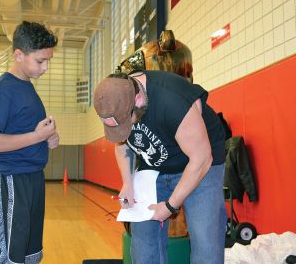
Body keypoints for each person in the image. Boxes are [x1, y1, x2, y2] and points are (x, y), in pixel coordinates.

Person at [93, 70, 227, 264]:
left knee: (205, 240)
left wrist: (170, 205)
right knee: (143, 243)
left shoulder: (172, 101)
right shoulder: (118, 96)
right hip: (154, 167)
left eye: (126, 124)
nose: (125, 130)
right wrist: (128, 183)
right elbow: (123, 146)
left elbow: (201, 158)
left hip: (200, 163)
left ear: (138, 100)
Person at [0, 21, 59, 264]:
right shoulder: (4, 90)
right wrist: (37, 137)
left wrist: (47, 139)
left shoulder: (27, 88)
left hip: (32, 177)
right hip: (11, 179)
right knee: (11, 257)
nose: (45, 67)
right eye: (40, 61)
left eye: (48, 60)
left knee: (30, 254)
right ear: (19, 55)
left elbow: (25, 132)